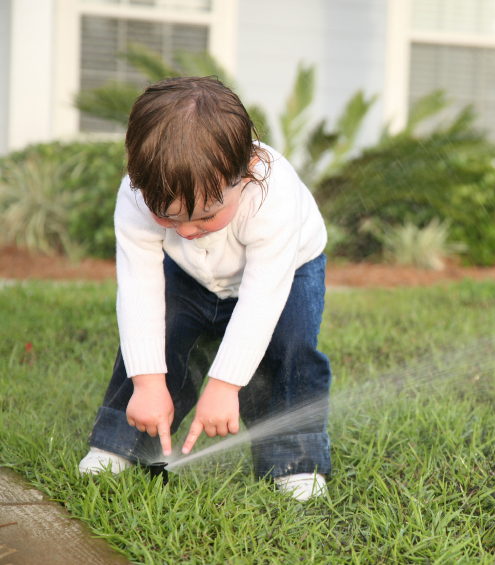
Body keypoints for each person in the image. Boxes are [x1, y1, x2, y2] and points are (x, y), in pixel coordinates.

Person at [78, 76, 332, 501]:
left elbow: (260, 302)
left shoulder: (273, 199)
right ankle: (121, 443)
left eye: (206, 216)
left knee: (290, 349)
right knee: (164, 334)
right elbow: (139, 289)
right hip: (190, 273)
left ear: (247, 173)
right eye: (168, 217)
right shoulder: (136, 197)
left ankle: (294, 459)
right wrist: (147, 383)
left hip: (286, 271)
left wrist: (225, 385)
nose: (188, 230)